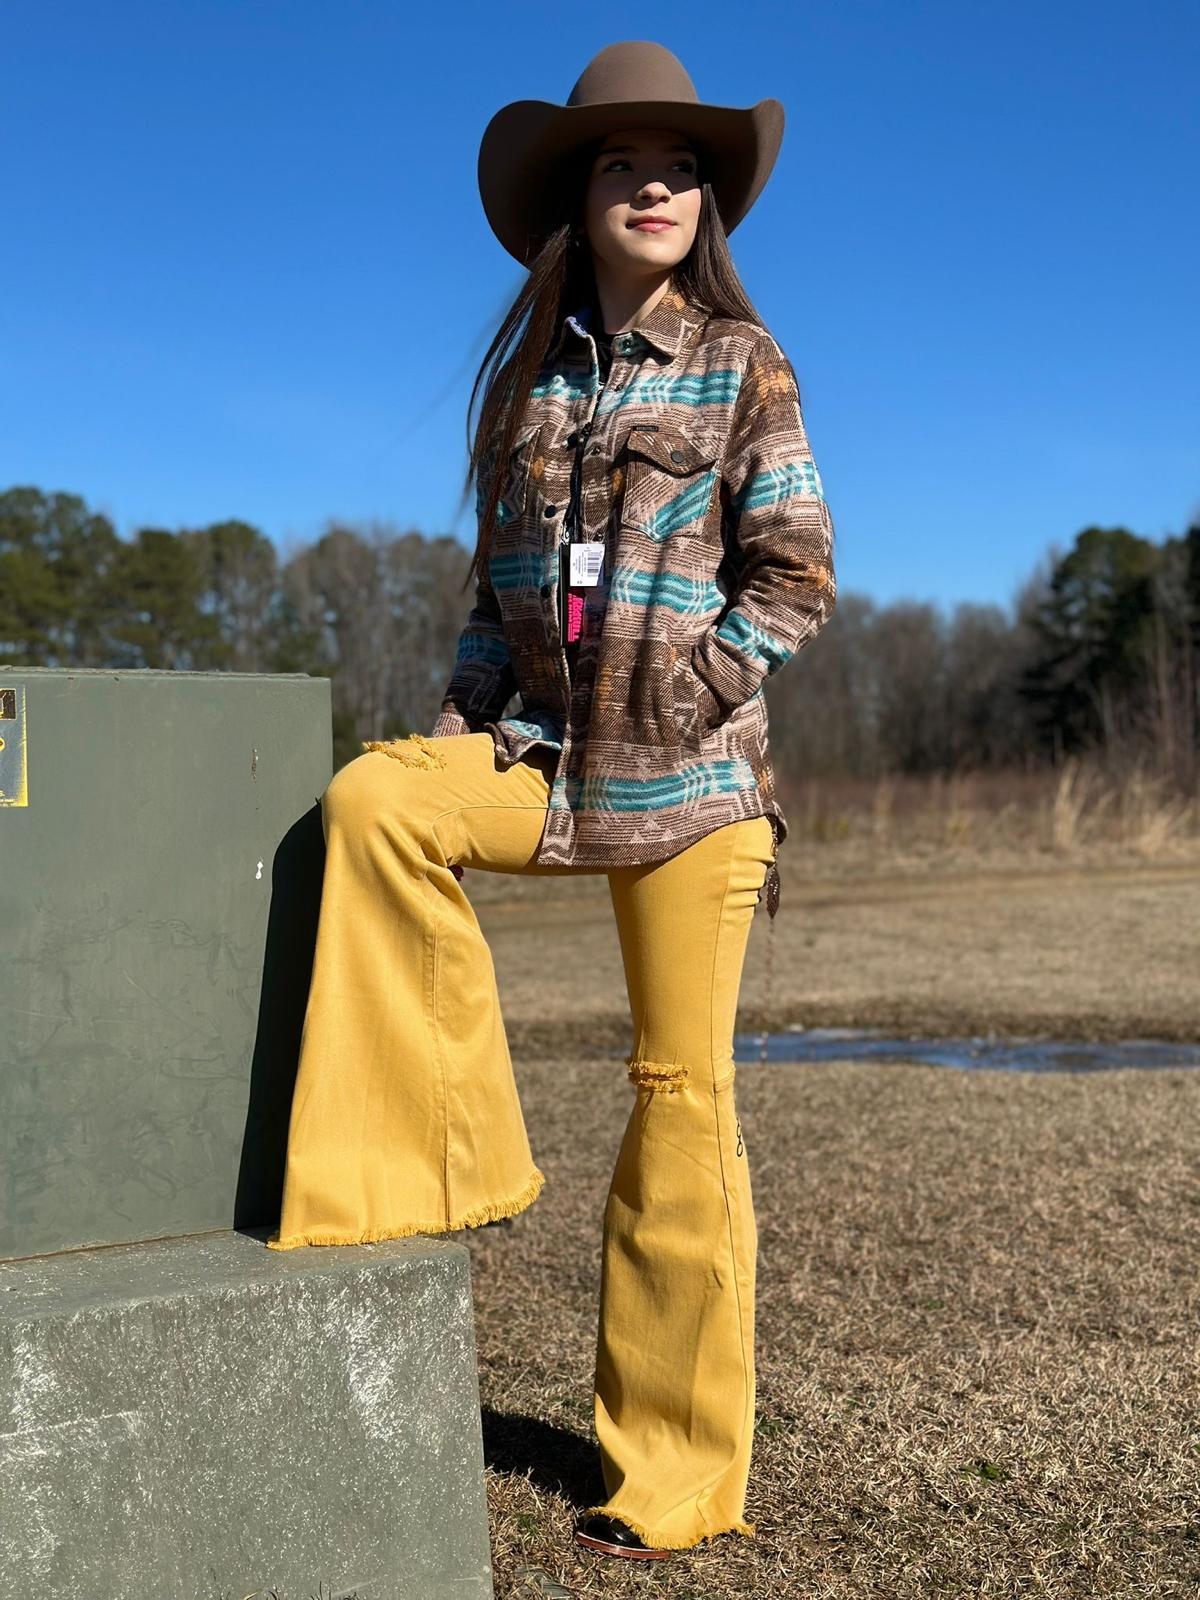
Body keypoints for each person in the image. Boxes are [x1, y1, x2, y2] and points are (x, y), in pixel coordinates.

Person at [266, 39, 837, 1564]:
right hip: (537, 761)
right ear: (574, 202)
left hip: (697, 788)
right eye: (617, 164)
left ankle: (674, 1472)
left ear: (703, 204)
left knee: (681, 1100)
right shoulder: (526, 391)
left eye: (678, 168)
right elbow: (488, 599)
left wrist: (704, 682)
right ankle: (459, 1161)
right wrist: (459, 723)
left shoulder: (741, 364)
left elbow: (798, 578)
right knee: (375, 807)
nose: (651, 185)